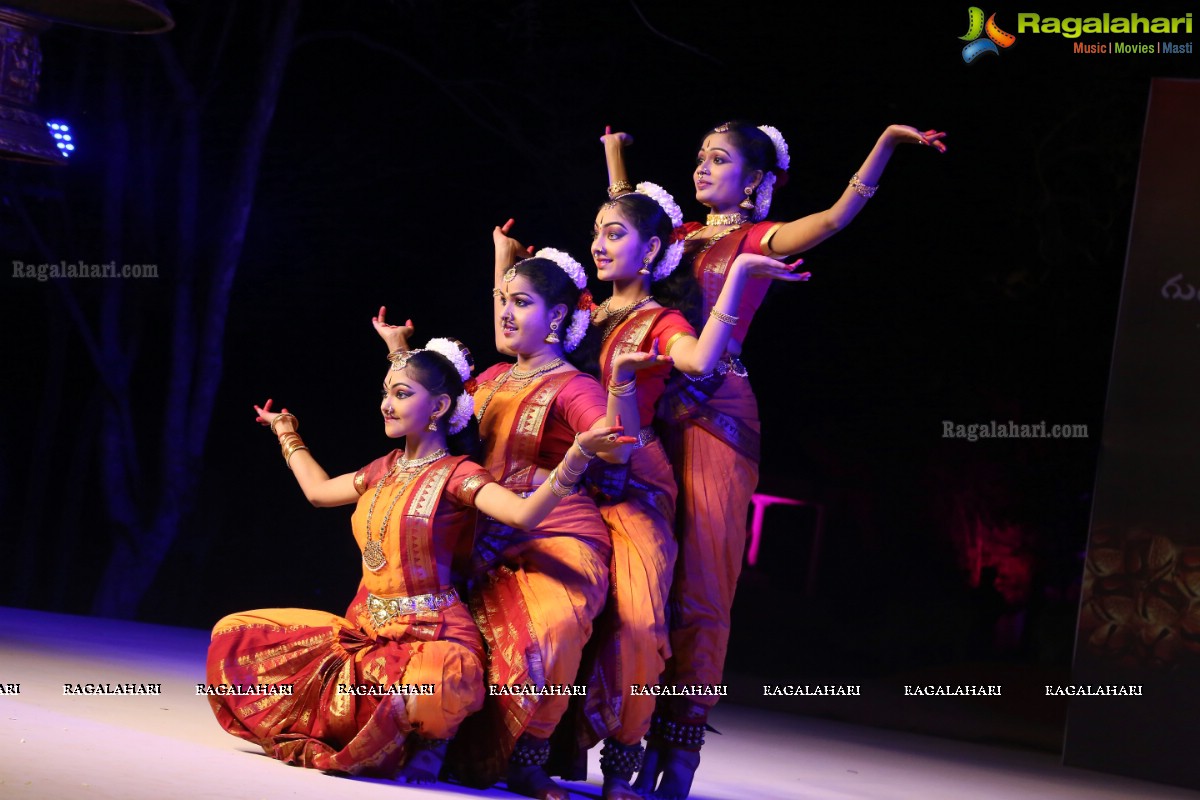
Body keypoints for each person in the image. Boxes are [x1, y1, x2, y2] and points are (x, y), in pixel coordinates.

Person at [600, 120, 947, 800]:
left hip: (715, 421)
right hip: (648, 416)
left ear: (755, 179)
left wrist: (882, 143)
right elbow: (629, 214)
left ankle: (680, 750)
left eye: (719, 159)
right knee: (639, 578)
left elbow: (835, 218)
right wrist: (614, 154)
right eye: (699, 155)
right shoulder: (671, 239)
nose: (702, 167)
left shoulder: (756, 239)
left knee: (699, 588)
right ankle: (624, 734)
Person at [205, 337, 628, 787]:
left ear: (440, 405)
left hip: (433, 638)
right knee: (236, 636)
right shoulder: (382, 468)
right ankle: (383, 730)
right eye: (387, 392)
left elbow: (524, 514)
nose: (387, 404)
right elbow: (318, 491)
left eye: (402, 394)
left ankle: (429, 743)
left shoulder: (459, 474)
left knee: (439, 682)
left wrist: (577, 456)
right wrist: (286, 431)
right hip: (366, 635)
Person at [492, 195, 804, 800]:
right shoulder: (584, 311)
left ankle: (623, 769)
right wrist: (503, 267)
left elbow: (703, 358)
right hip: (578, 486)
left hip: (635, 488)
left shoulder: (665, 323)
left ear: (654, 249)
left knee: (637, 624)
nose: (599, 245)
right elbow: (517, 341)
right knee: (553, 605)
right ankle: (524, 754)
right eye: (596, 233)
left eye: (614, 234)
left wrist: (737, 277)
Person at [373, 248, 644, 800]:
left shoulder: (575, 387)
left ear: (560, 319)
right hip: (486, 532)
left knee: (553, 629)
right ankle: (437, 737)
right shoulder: (489, 380)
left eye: (521, 303)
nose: (505, 312)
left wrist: (618, 386)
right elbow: (427, 409)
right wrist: (399, 352)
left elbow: (617, 449)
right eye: (501, 301)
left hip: (558, 536)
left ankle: (528, 760)